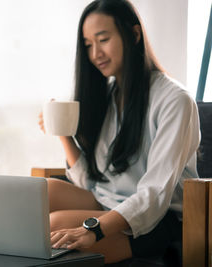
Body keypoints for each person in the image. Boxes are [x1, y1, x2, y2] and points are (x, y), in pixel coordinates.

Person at [38, 0, 200, 264]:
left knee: (50, 227)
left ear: (134, 35)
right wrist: (63, 133)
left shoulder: (174, 100)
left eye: (103, 40)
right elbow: (93, 183)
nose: (95, 54)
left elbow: (155, 194)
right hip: (108, 202)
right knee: (37, 195)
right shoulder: (109, 98)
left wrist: (94, 229)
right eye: (88, 45)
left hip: (156, 219)